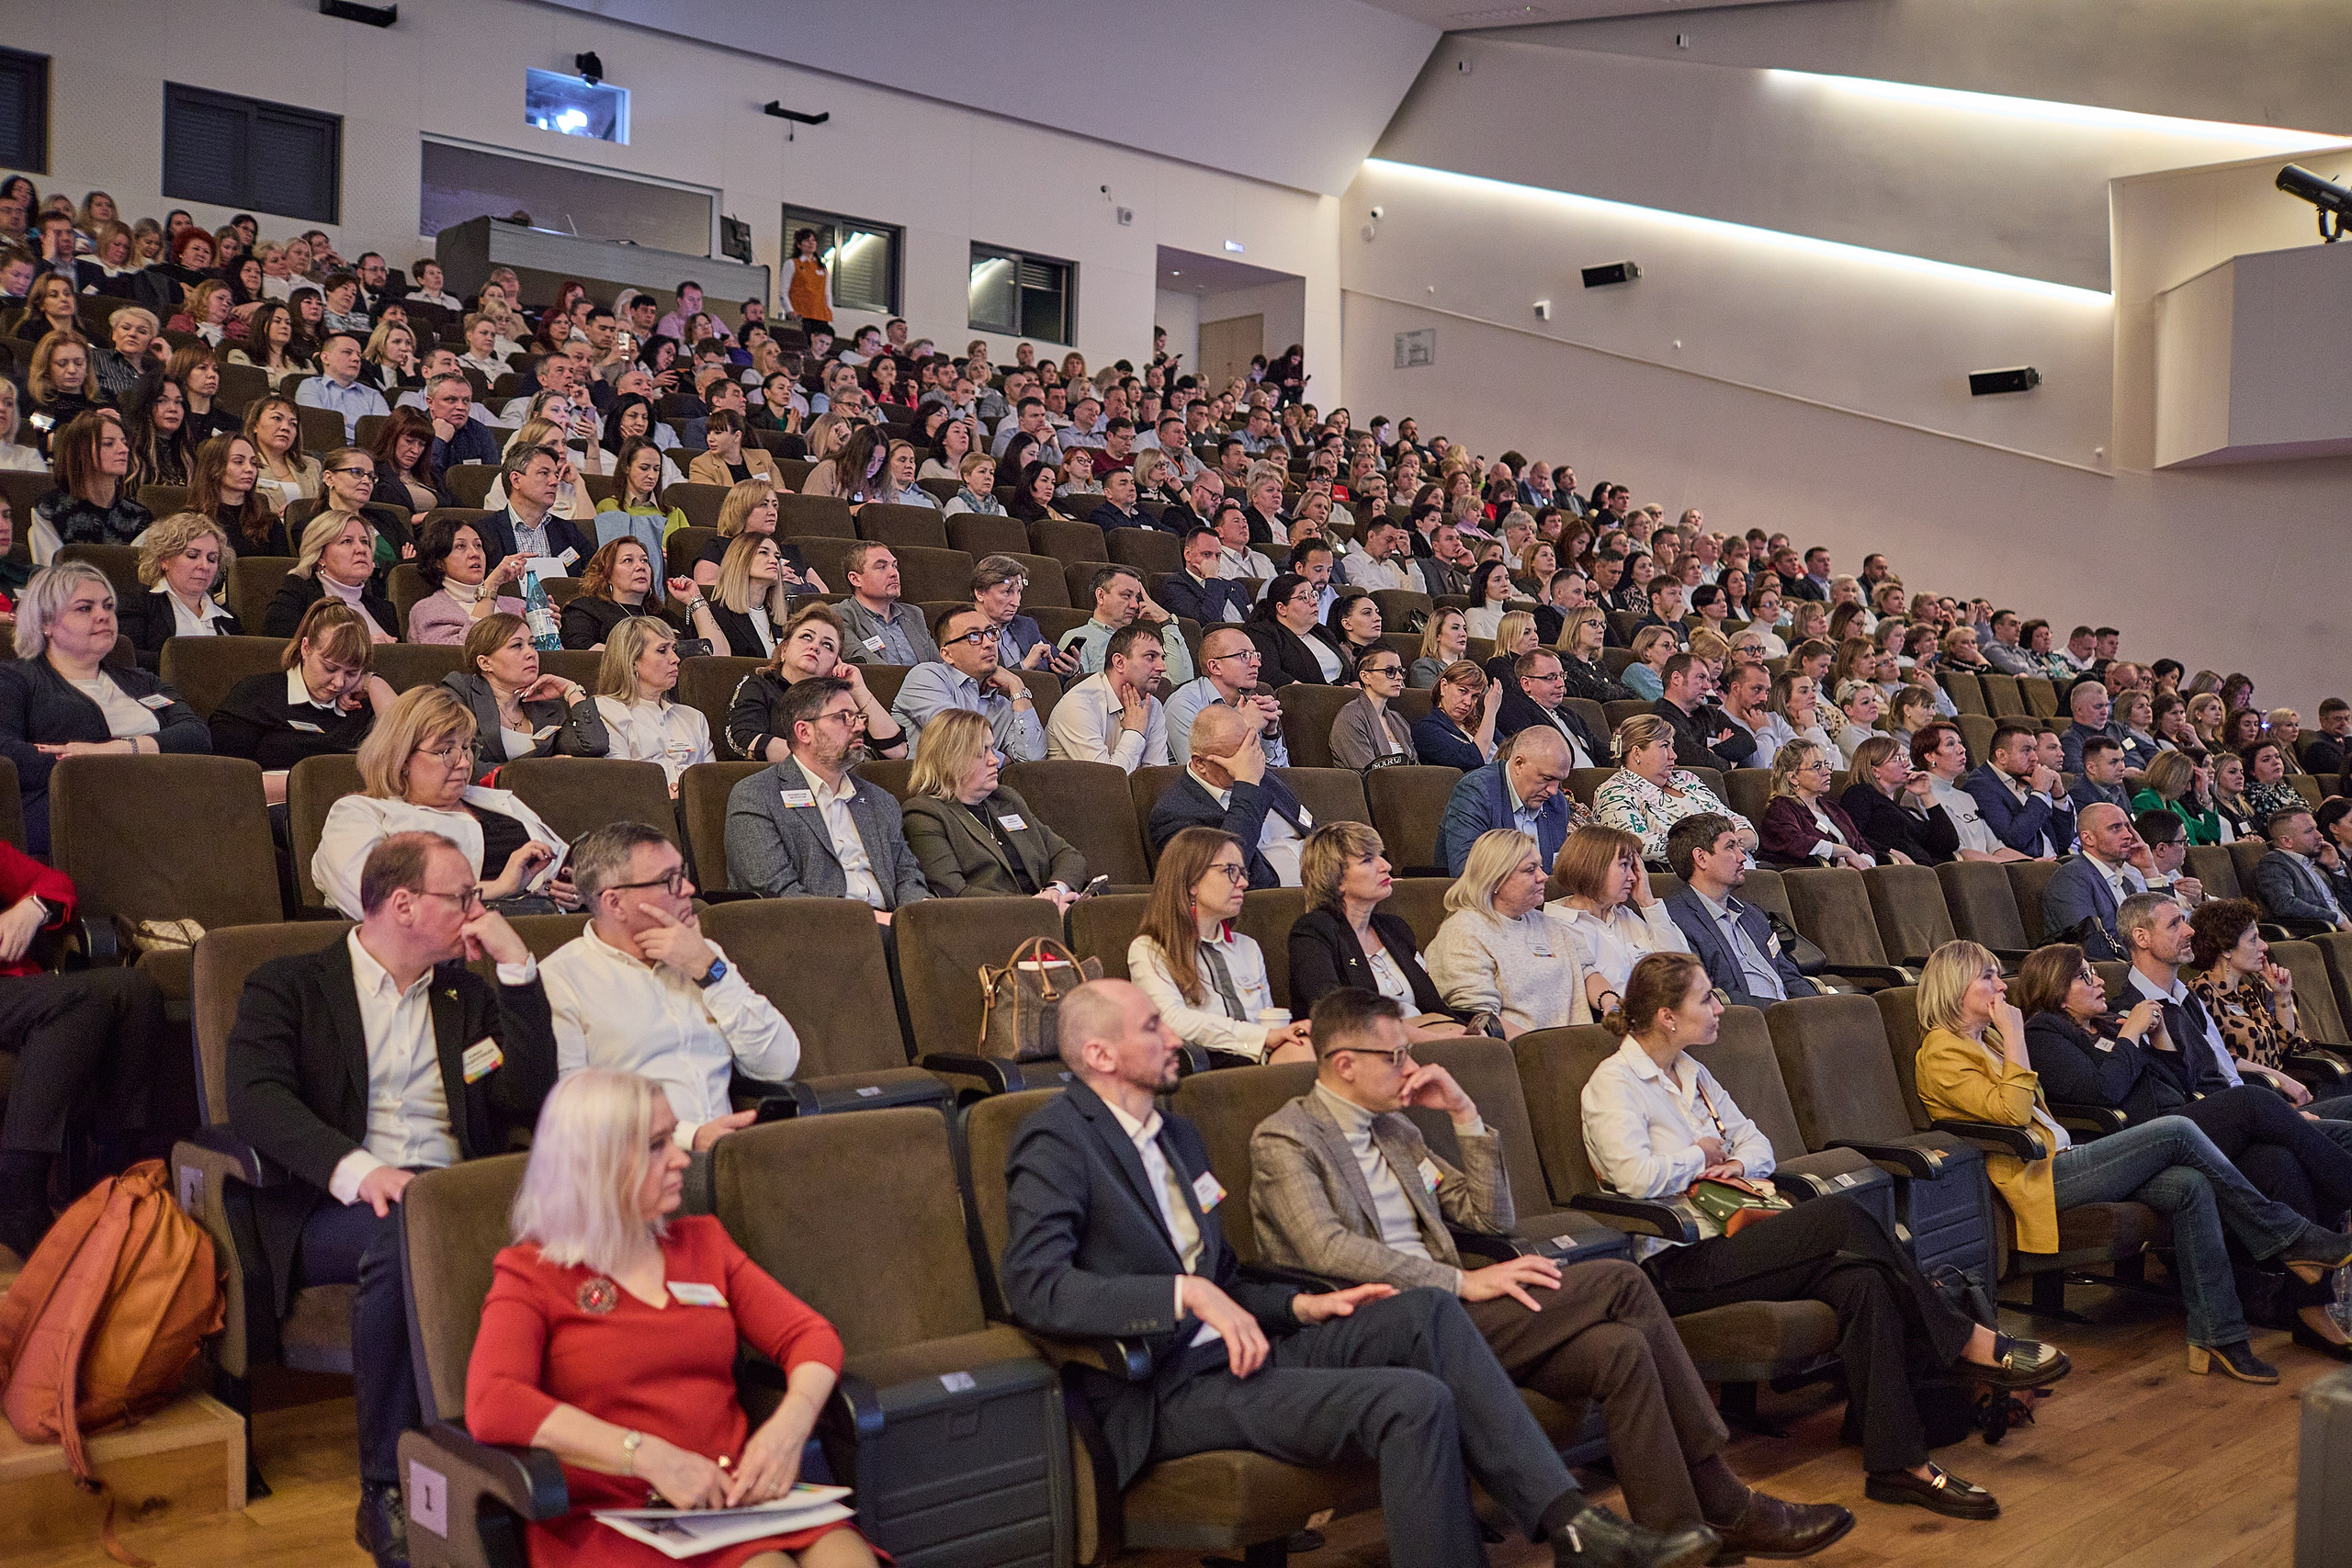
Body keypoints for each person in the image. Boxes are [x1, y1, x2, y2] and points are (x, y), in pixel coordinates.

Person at [1000, 977, 1714, 1568]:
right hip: (1167, 1387)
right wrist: (1182, 1294)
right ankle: (1574, 1526)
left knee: (1425, 1344)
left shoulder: (1178, 1134)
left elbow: (1227, 1272)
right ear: (1098, 1051)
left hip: (1259, 1347)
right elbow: (1034, 1286)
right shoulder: (1059, 1138)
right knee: (1418, 1389)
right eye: (1154, 1025)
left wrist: (1299, 1308)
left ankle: (1572, 1527)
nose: (1175, 1036)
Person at [1249, 988, 1850, 1554]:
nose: (1409, 1067)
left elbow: (1490, 1216)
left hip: (1457, 1318)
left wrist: (1464, 1116)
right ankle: (1725, 1499)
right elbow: (1327, 1249)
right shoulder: (1285, 1137)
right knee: (1619, 1280)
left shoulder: (1395, 1130)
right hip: (1384, 1326)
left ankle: (1676, 1534)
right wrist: (1461, 1281)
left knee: (1619, 1349)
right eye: (1396, 1055)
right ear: (1345, 1062)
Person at [1593, 952, 2065, 1517]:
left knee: (1863, 1280)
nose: (1720, 1007)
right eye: (1706, 999)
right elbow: (1631, 1177)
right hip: (1681, 1261)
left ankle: (1897, 1464)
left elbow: (1759, 1147)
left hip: (1742, 1233)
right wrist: (1697, 1155)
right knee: (1839, 1216)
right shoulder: (1614, 1084)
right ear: (1668, 1016)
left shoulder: (1694, 1073)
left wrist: (1737, 1166)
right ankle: (1963, 1339)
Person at [227, 830, 557, 1566]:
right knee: (406, 1235)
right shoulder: (290, 985)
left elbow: (527, 1096)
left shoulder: (463, 993)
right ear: (403, 903)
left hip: (452, 1190)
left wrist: (518, 970)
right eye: (463, 896)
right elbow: (256, 1100)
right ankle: (387, 1486)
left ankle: (534, 1444)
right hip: (331, 1203)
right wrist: (358, 1170)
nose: (477, 909)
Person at [466, 1069, 882, 1568]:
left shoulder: (703, 1243)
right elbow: (494, 1402)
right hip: (615, 1517)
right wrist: (647, 1456)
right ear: (597, 1164)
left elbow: (810, 1335)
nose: (683, 1158)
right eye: (658, 1145)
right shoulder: (533, 1274)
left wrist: (789, 1426)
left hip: (731, 1503)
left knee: (850, 1562)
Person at [1915, 935, 2352, 1384]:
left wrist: (2006, 1037)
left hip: (2070, 1156)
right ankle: (2289, 1238)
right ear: (1953, 989)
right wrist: (2013, 1035)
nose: (2001, 986)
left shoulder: (1986, 1039)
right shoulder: (1942, 1051)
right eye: (1987, 977)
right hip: (2037, 1177)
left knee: (2189, 1184)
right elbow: (2012, 1111)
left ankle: (2217, 1334)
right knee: (2180, 1129)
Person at [541, 824, 799, 1157]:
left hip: (731, 1155)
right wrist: (690, 1137)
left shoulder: (701, 954)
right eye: (669, 880)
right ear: (615, 902)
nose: (689, 888)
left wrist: (709, 970)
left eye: (684, 874)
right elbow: (573, 1111)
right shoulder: (562, 978)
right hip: (636, 1165)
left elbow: (779, 1063)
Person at [0, 561, 210, 855]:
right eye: (85, 608)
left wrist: (114, 750)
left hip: (162, 799)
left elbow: (197, 736)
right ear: (46, 622)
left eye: (108, 606)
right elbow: (8, 756)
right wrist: (82, 764)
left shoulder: (143, 681)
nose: (103, 616)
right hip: (71, 812)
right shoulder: (15, 680)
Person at [312, 686, 575, 919]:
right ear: (402, 759)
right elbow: (373, 903)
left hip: (547, 928)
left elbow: (564, 862)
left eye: (466, 747)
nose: (463, 762)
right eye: (445, 751)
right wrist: (498, 888)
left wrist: (575, 890)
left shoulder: (494, 800)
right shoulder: (362, 813)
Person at [724, 675, 927, 917]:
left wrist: (918, 916)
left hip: (894, 927)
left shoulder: (880, 800)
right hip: (815, 934)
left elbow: (907, 875)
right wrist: (873, 922)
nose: (860, 727)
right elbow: (777, 894)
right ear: (804, 731)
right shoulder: (757, 796)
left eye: (859, 716)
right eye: (843, 717)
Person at [1126, 826, 1313, 1065]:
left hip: (1258, 1056)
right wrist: (1263, 1036)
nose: (1244, 883)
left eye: (1242, 872)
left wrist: (1284, 1034)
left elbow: (1266, 1019)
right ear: (1191, 881)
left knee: (1307, 1047)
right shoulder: (1150, 949)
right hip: (1206, 1063)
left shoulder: (1247, 947)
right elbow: (1172, 1021)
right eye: (1230, 871)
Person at [1286, 824, 1467, 1036]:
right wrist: (1435, 1039)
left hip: (1428, 1034)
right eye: (1367, 860)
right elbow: (1334, 1012)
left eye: (1380, 856)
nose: (1386, 866)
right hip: (1368, 1049)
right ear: (1335, 880)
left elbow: (1434, 1006)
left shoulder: (1394, 928)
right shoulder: (1313, 932)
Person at [1429, 829, 1609, 1035]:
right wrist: (1540, 1050)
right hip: (1520, 1054)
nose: (1543, 877)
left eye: (1540, 867)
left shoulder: (1545, 922)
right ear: (1496, 878)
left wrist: (1610, 1001)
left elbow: (1585, 970)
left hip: (1575, 1046)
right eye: (1530, 870)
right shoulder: (1463, 931)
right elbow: (1479, 1018)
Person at [209, 601, 392, 804]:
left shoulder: (364, 705)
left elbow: (406, 747)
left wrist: (372, 682)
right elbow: (224, 781)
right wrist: (322, 784)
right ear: (305, 648)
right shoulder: (256, 695)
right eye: (330, 668)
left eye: (352, 672)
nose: (339, 682)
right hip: (276, 814)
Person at [900, 709, 1086, 907]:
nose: (995, 760)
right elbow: (953, 892)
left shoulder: (1006, 799)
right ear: (950, 759)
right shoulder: (924, 814)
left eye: (993, 748)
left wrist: (1055, 890)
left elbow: (1067, 855)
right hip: (993, 922)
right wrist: (1036, 907)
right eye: (982, 752)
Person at [2187, 897, 2351, 1104]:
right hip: (2255, 1103)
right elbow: (2217, 1060)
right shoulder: (2200, 994)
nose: (2264, 946)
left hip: (2283, 1100)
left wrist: (2281, 995)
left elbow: (2291, 1047)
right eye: (2254, 939)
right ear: (2226, 949)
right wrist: (2281, 1079)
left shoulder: (2247, 991)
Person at [1150, 705, 1315, 889]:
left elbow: (1307, 826)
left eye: (1250, 747)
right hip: (1276, 903)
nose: (1250, 759)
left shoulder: (1259, 771)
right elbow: (1225, 875)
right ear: (1200, 763)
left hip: (1328, 881)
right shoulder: (1174, 813)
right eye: (1239, 756)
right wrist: (1247, 786)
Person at [1661, 815, 1818, 1008]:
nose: (1742, 856)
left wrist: (1818, 1008)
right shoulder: (1676, 919)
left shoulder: (1753, 914)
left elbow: (1789, 976)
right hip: (1747, 1025)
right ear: (1701, 858)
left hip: (1790, 1018)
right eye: (1730, 847)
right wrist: (1782, 1013)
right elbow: (1707, 996)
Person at [724, 604, 906, 763]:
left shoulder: (840, 698)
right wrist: (822, 759)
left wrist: (859, 690)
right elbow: (742, 740)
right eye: (806, 637)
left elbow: (897, 751)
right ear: (784, 649)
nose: (815, 646)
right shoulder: (761, 685)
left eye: (828, 645)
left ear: (835, 662)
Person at [442, 612, 610, 781]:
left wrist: (571, 691)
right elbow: (455, 759)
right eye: (517, 646)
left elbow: (595, 746)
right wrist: (537, 770)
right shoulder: (461, 691)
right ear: (485, 663)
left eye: (532, 644)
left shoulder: (547, 708)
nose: (531, 653)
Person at [889, 604, 1047, 762]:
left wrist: (1017, 685)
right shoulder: (927, 676)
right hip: (929, 784)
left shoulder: (1002, 705)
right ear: (947, 654)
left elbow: (1033, 760)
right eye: (973, 636)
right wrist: (1000, 759)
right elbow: (954, 740)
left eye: (991, 633)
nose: (989, 643)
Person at [1594, 715, 1750, 867]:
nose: (1673, 756)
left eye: (1672, 746)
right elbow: (1637, 844)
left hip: (1741, 866)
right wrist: (1718, 847)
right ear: (1637, 753)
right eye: (1664, 746)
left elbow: (1738, 821)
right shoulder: (1614, 791)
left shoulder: (1687, 778)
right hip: (1687, 880)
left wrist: (1736, 841)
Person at [1439, 728, 1582, 877]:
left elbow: (1556, 876)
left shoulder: (1557, 804)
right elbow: (1467, 874)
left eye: (1559, 780)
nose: (1553, 791)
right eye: (1546, 778)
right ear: (1519, 763)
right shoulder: (1476, 792)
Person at [116, 510, 240, 665]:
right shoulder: (138, 605)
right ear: (164, 559)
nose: (204, 566)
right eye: (192, 556)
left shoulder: (228, 618)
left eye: (212, 559)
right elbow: (128, 660)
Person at [1046, 622, 1170, 772]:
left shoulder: (1152, 706)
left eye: (1162, 658)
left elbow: (1155, 777)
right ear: (1119, 662)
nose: (1162, 667)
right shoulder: (1078, 705)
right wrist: (1134, 733)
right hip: (1074, 794)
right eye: (1151, 657)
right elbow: (1107, 780)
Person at [31, 411, 151, 560]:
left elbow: (136, 576)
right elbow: (48, 574)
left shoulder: (138, 516)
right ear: (81, 452)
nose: (124, 449)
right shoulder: (49, 510)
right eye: (109, 443)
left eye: (124, 443)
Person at [1165, 626, 1290, 770]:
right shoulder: (1183, 706)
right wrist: (1246, 727)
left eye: (1255, 655)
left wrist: (1270, 735)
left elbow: (1280, 774)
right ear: (1215, 667)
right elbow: (1205, 774)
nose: (1257, 663)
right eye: (1244, 655)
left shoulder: (1251, 702)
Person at [265, 509, 399, 639]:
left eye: (365, 541)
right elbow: (282, 650)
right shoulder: (296, 594)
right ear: (321, 555)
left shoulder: (385, 610)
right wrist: (364, 648)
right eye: (347, 541)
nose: (361, 549)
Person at [407, 513, 528, 647]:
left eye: (478, 545)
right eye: (461, 546)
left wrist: (544, 628)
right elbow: (460, 654)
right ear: (439, 562)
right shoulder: (428, 610)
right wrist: (490, 587)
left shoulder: (518, 606)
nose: (475, 553)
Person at [1962, 723, 2073, 861]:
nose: (2035, 758)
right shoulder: (1981, 785)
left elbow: (2063, 841)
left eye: (2034, 749)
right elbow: (2014, 839)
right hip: (2026, 870)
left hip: (2055, 862)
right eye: (2026, 750)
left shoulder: (2025, 779)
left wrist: (2059, 796)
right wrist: (2039, 793)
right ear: (2002, 756)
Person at [1758, 740, 1875, 868]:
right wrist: (1845, 851)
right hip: (1818, 880)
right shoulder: (1781, 808)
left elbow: (1863, 846)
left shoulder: (1832, 808)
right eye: (1817, 766)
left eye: (1826, 764)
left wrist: (1863, 864)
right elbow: (1796, 842)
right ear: (1793, 777)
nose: (1827, 772)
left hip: (1855, 877)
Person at [831, 540, 937, 666]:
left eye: (894, 566)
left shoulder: (914, 614)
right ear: (855, 579)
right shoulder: (838, 615)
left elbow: (938, 665)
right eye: (882, 567)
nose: (894, 574)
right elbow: (869, 668)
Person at [1496, 649, 1605, 767]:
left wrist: (1623, 746)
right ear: (1526, 683)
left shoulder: (1571, 715)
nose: (1561, 684)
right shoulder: (1515, 711)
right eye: (1551, 677)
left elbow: (1601, 750)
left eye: (1562, 676)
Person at [2253, 807, 2351, 932]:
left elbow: (2348, 905)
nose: (2319, 835)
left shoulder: (2316, 864)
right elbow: (2286, 905)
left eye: (2316, 828)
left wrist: (2335, 867)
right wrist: (2337, 919)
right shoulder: (2273, 864)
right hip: (2326, 934)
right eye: (2309, 831)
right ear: (2287, 841)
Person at [1248, 570, 1353, 687]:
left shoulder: (1321, 631)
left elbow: (1351, 674)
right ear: (1282, 608)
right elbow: (1272, 675)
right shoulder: (1264, 633)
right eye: (1304, 597)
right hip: (1306, 700)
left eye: (1313, 595)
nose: (1314, 602)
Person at [1652, 654, 1749, 772]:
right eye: (1700, 678)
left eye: (1708, 680)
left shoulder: (1709, 712)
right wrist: (1728, 763)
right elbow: (1692, 758)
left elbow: (1747, 741)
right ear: (1676, 678)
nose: (1707, 686)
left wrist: (1714, 751)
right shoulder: (1661, 718)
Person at [1330, 647, 1417, 772]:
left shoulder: (1398, 720)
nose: (1399, 677)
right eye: (1390, 671)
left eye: (1400, 671)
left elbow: (1416, 767)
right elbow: (1369, 774)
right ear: (1365, 677)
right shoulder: (1351, 716)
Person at [296, 330, 390, 442]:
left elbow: (387, 432)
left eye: (359, 355)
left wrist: (340, 426)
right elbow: (318, 429)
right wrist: (361, 432)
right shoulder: (310, 387)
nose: (356, 359)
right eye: (347, 352)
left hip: (369, 454)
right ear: (325, 358)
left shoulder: (373, 394)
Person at [1415, 660, 1504, 772]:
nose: (1468, 702)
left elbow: (1508, 752)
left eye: (1475, 696)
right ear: (1443, 687)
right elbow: (1472, 760)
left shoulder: (1479, 722)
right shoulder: (1426, 729)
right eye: (1463, 691)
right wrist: (1491, 711)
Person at [1161, 526, 1252, 625]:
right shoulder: (1175, 585)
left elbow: (1253, 623)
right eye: (1207, 554)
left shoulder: (1236, 587)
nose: (1214, 560)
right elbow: (1209, 623)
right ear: (1187, 554)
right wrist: (1212, 578)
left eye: (1217, 555)